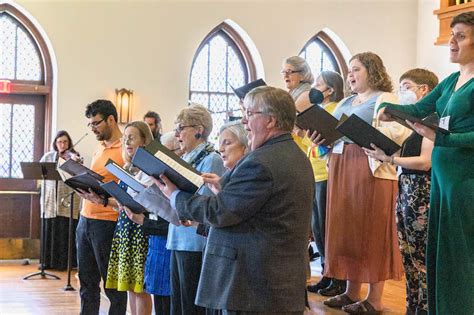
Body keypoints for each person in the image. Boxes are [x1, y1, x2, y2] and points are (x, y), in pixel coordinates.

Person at [156, 86, 315, 314]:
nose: (244, 121)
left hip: (254, 284)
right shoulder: (295, 155)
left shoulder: (260, 162)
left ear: (270, 120)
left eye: (250, 114)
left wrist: (175, 196)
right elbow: (265, 208)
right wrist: (225, 189)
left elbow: (220, 212)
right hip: (277, 281)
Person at [378, 12, 474, 314]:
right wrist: (388, 107)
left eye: (460, 35)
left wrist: (443, 139)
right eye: (452, 34)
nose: (452, 42)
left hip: (465, 177)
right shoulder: (452, 80)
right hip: (443, 179)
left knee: (461, 254)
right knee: (440, 251)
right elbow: (419, 107)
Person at [311, 52, 410, 313]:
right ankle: (350, 291)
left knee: (371, 230)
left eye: (356, 69)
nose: (350, 75)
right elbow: (334, 136)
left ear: (372, 71)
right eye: (349, 71)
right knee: (347, 229)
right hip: (341, 166)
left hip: (370, 169)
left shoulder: (387, 99)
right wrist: (321, 139)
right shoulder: (346, 101)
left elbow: (399, 134)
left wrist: (366, 135)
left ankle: (374, 298)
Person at [365, 68, 438, 315]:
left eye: (406, 86)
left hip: (421, 194)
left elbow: (425, 161)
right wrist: (384, 156)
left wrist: (391, 159)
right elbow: (405, 155)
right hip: (407, 190)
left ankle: (426, 308)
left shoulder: (432, 118)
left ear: (424, 90)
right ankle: (413, 306)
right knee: (408, 254)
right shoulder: (414, 124)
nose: (401, 92)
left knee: (421, 256)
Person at [80, 121, 155, 315]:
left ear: (145, 141)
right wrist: (101, 200)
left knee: (140, 289)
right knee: (130, 286)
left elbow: (146, 202)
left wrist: (124, 201)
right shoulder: (129, 168)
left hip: (140, 231)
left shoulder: (149, 171)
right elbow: (122, 202)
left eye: (132, 137)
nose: (127, 141)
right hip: (125, 230)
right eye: (125, 138)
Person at [167, 104, 224, 315]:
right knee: (178, 305)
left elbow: (205, 202)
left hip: (194, 241)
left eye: (181, 128)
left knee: (191, 306)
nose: (177, 134)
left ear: (198, 129)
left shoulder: (211, 158)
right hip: (177, 236)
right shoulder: (184, 159)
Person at [76, 99, 127, 314]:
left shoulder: (126, 148)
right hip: (85, 219)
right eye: (90, 125)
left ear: (111, 120)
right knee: (87, 283)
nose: (93, 129)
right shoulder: (99, 147)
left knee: (112, 286)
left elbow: (127, 190)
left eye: (96, 123)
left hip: (108, 223)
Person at [298, 71, 346, 296]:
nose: (315, 88)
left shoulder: (334, 109)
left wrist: (302, 133)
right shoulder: (319, 110)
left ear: (331, 90)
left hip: (326, 174)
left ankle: (337, 277)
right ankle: (327, 273)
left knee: (327, 228)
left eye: (319, 84)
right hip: (314, 174)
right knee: (317, 229)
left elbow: (324, 143)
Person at [125, 131, 182, 315]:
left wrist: (143, 220)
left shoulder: (179, 179)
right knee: (158, 298)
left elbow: (174, 220)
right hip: (156, 242)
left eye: (167, 153)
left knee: (168, 301)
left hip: (170, 244)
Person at [40, 130, 81, 270]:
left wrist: (76, 162)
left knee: (65, 230)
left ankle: (65, 263)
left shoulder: (74, 157)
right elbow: (40, 172)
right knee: (51, 228)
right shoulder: (48, 156)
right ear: (55, 144)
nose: (62, 145)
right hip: (50, 199)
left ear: (69, 143)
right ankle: (48, 263)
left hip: (67, 198)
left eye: (65, 142)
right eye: (59, 142)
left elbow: (79, 173)